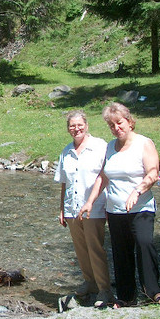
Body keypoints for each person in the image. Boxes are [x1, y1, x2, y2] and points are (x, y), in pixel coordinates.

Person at [79, 102, 160, 306]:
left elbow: (153, 172)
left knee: (145, 245)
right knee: (121, 252)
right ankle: (127, 296)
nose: (116, 128)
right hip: (116, 210)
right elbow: (103, 177)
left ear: (129, 121)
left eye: (119, 123)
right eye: (111, 125)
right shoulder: (111, 146)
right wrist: (90, 202)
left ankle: (153, 291)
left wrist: (137, 191)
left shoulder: (144, 143)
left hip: (141, 208)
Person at [54, 110, 114, 307]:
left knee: (95, 248)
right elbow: (65, 183)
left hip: (94, 207)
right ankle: (90, 282)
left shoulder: (100, 146)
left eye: (79, 125)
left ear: (86, 125)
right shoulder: (66, 151)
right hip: (72, 208)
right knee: (80, 249)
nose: (76, 129)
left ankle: (105, 290)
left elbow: (106, 176)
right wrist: (62, 208)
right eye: (72, 126)